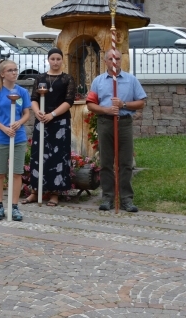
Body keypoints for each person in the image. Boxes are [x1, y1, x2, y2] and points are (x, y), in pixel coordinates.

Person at [86, 50, 147, 212]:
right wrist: (106, 110)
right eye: (111, 58)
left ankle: (126, 198)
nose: (115, 61)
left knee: (125, 162)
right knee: (106, 161)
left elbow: (141, 102)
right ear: (105, 61)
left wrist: (123, 105)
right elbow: (90, 104)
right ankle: (108, 196)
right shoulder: (98, 81)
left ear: (121, 61)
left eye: (118, 58)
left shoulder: (131, 80)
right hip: (105, 123)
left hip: (124, 123)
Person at [24, 48, 76, 207]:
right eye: (52, 59)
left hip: (59, 122)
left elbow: (69, 101)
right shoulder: (40, 78)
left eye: (58, 59)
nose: (55, 62)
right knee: (38, 155)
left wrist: (52, 115)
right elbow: (33, 98)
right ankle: (35, 191)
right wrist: (37, 111)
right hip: (42, 120)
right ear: (48, 60)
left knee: (58, 157)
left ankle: (55, 193)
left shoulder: (67, 79)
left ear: (62, 60)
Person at [0, 60, 31, 222]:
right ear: (2, 73)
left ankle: (14, 206)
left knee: (17, 172)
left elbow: (26, 112)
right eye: (10, 70)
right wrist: (3, 128)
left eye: (15, 70)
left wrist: (19, 122)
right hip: (0, 137)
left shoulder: (22, 92)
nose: (14, 72)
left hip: (18, 138)